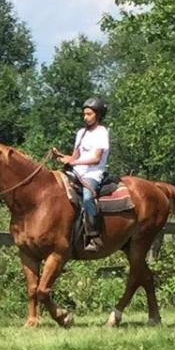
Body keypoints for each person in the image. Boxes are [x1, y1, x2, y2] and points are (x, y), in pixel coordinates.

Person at [57, 96, 111, 249]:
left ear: (98, 115)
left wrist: (74, 162)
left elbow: (96, 159)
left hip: (93, 174)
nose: (85, 117)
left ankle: (94, 236)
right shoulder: (81, 133)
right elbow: (74, 156)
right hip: (77, 171)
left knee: (87, 198)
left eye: (89, 114)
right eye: (84, 114)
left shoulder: (102, 132)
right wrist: (61, 157)